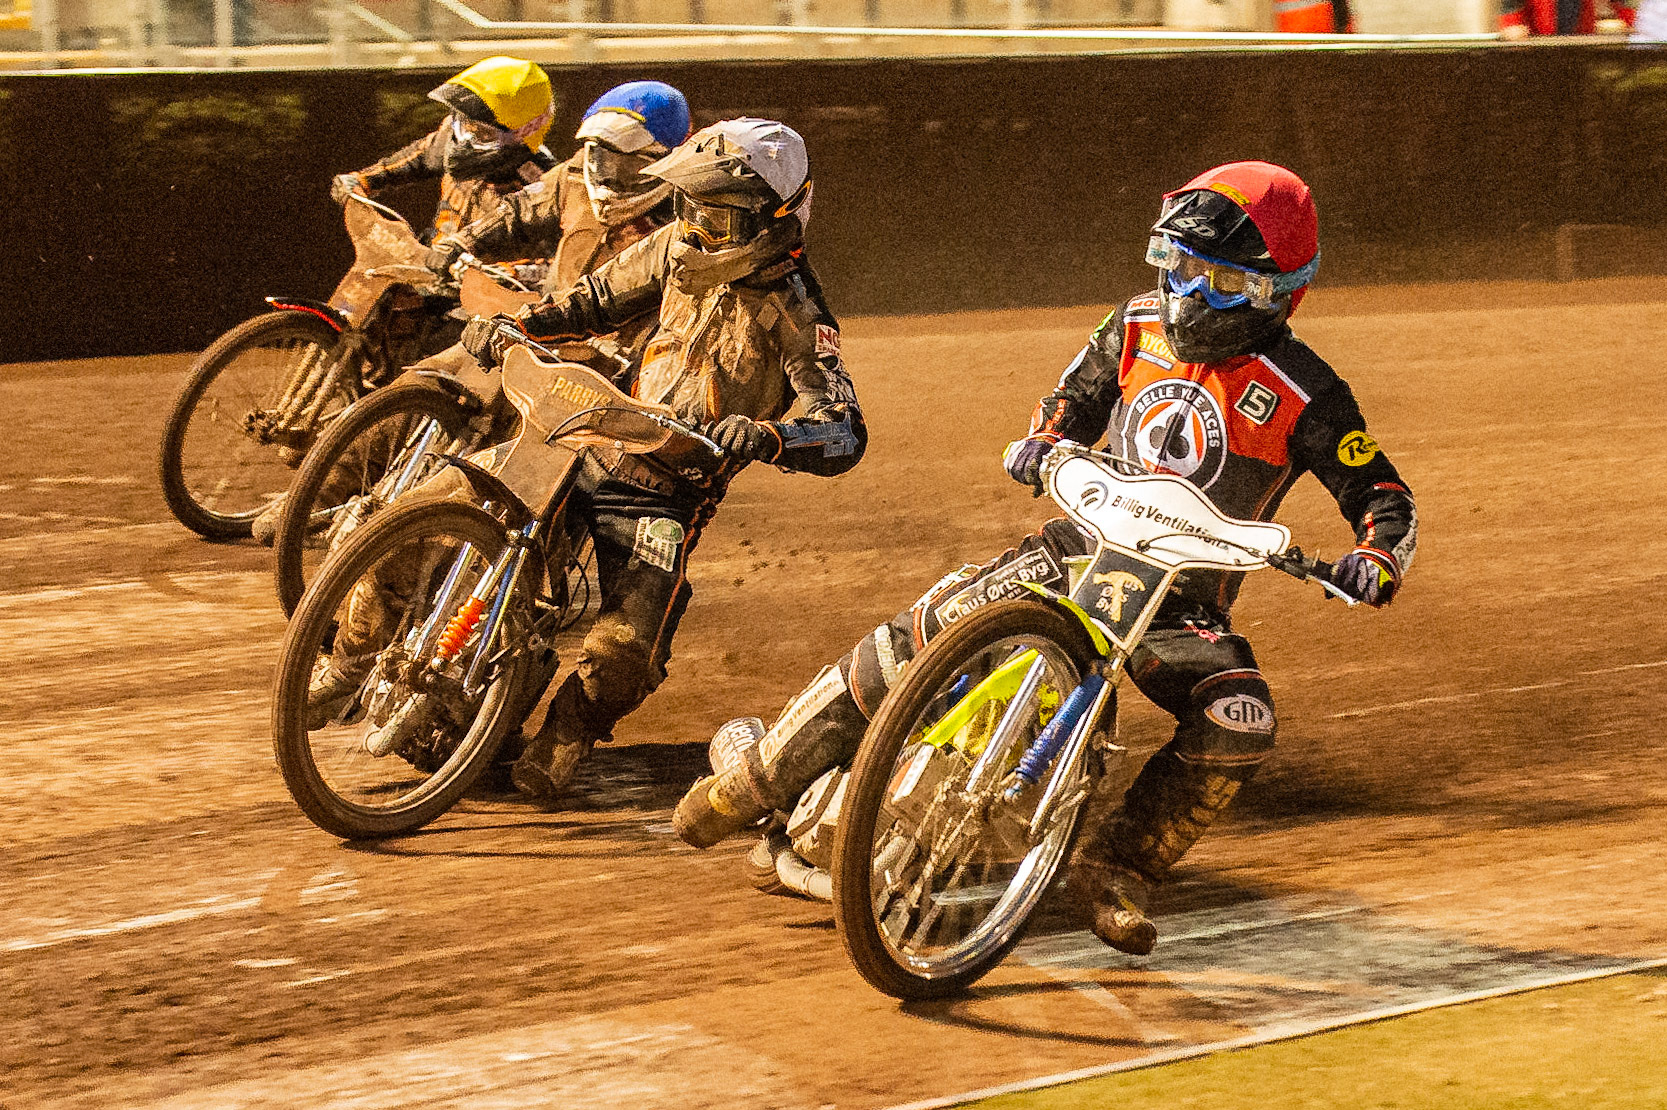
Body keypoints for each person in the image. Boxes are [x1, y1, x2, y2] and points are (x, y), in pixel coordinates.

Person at [671, 161, 1418, 957]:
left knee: (1240, 718)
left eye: (1217, 281)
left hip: (1180, 604)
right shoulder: (1133, 324)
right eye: (1179, 268)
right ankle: (754, 781)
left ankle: (1118, 866)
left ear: (1278, 291)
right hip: (1071, 551)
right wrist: (1044, 437)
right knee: (916, 634)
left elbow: (1382, 494)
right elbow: (1072, 398)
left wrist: (1373, 558)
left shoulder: (1307, 391)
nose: (1190, 294)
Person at [318, 118, 866, 800]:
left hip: (665, 492)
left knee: (624, 652)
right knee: (424, 511)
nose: (697, 227)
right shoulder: (671, 248)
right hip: (582, 433)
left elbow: (843, 429)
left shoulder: (797, 310)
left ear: (773, 219)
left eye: (717, 217)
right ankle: (348, 658)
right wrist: (519, 325)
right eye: (690, 207)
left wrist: (770, 437)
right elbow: (594, 302)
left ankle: (570, 729)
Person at [330, 56, 558, 240]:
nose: (466, 138)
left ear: (522, 134)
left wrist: (508, 272)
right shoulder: (451, 138)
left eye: (483, 133)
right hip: (431, 260)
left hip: (488, 284)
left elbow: (553, 259)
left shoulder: (541, 183)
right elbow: (416, 159)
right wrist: (362, 180)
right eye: (465, 123)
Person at [1499, 0, 1634, 36]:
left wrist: (1629, 20)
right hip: (1537, 49)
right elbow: (1510, 7)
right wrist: (1511, 23)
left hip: (1582, 46)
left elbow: (1621, 6)